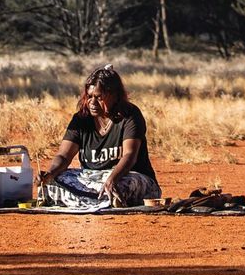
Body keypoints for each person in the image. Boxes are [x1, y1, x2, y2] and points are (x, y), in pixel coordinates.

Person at [37, 65, 161, 208]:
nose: (92, 102)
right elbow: (64, 156)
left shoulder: (129, 115)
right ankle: (102, 201)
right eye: (89, 97)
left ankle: (89, 199)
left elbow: (129, 155)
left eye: (99, 97)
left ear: (115, 96)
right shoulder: (81, 119)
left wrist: (112, 179)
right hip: (92, 177)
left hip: (127, 176)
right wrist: (50, 174)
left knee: (123, 185)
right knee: (55, 181)